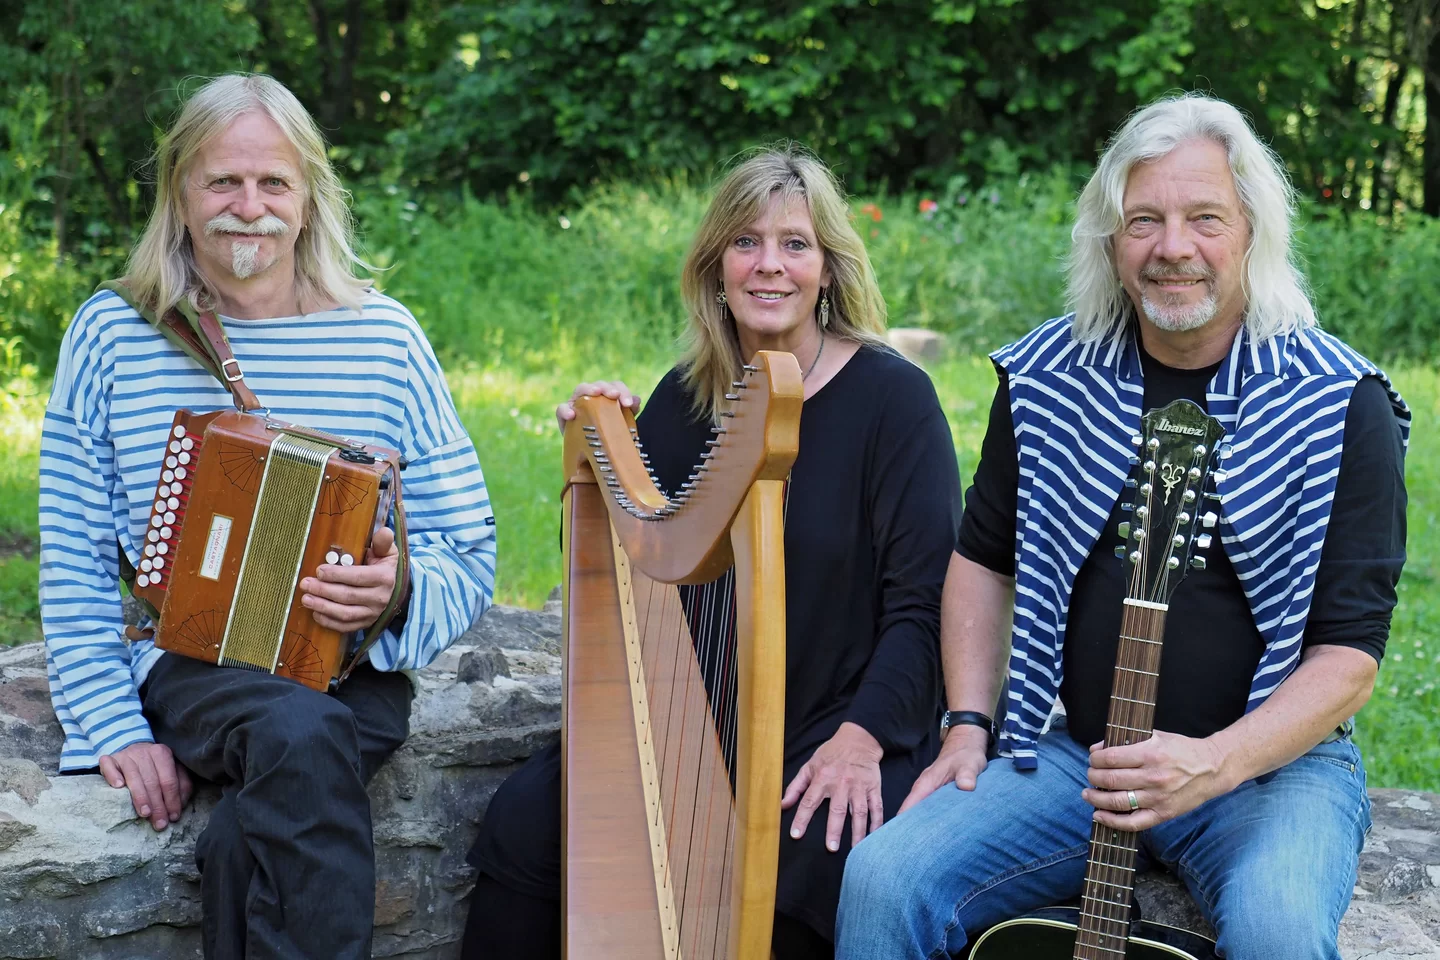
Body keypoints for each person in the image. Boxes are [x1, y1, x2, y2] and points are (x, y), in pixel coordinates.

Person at [835, 93, 1409, 960]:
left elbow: (1350, 655)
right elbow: (983, 560)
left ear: (1252, 232)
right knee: (885, 878)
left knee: (1280, 932)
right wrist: (967, 723)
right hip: (1082, 757)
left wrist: (1214, 762)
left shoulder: (1339, 402)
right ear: (1110, 239)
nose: (1172, 247)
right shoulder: (1049, 377)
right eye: (1144, 220)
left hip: (1269, 773)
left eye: (1204, 218)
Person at [460, 145, 961, 959]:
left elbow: (925, 601)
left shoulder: (894, 399)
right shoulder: (685, 399)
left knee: (808, 855)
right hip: (699, 724)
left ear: (828, 269)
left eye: (795, 244)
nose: (770, 265)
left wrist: (863, 738)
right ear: (716, 267)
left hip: (842, 722)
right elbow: (624, 570)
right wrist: (592, 468)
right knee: (527, 820)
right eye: (746, 242)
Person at [37, 73, 496, 959]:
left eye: (273, 183)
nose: (249, 208)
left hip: (352, 669)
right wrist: (113, 725)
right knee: (302, 728)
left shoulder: (385, 339)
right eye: (223, 181)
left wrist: (396, 592)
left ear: (310, 196)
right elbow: (75, 553)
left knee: (253, 826)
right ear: (179, 193)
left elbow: (468, 548)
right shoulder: (112, 333)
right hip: (190, 663)